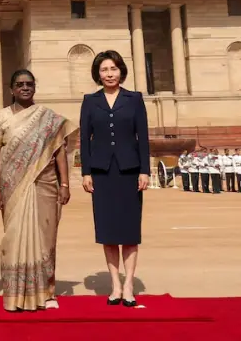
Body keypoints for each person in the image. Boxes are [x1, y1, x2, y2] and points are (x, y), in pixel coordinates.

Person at [0, 69, 76, 311]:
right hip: (12, 187)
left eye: (29, 84)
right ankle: (16, 295)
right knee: (14, 238)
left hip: (46, 185)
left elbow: (59, 152)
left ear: (34, 87)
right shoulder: (1, 118)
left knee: (46, 239)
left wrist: (65, 184)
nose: (25, 88)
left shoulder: (48, 118)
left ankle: (47, 293)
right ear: (11, 89)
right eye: (20, 84)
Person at [80, 50, 149, 308]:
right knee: (108, 233)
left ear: (121, 71)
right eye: (104, 70)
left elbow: (142, 135)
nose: (109, 74)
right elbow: (85, 139)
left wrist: (145, 170)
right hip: (101, 173)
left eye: (113, 69)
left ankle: (129, 285)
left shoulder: (134, 99)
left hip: (130, 171)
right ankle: (115, 285)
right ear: (98, 74)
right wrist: (86, 172)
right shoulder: (90, 100)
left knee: (129, 232)